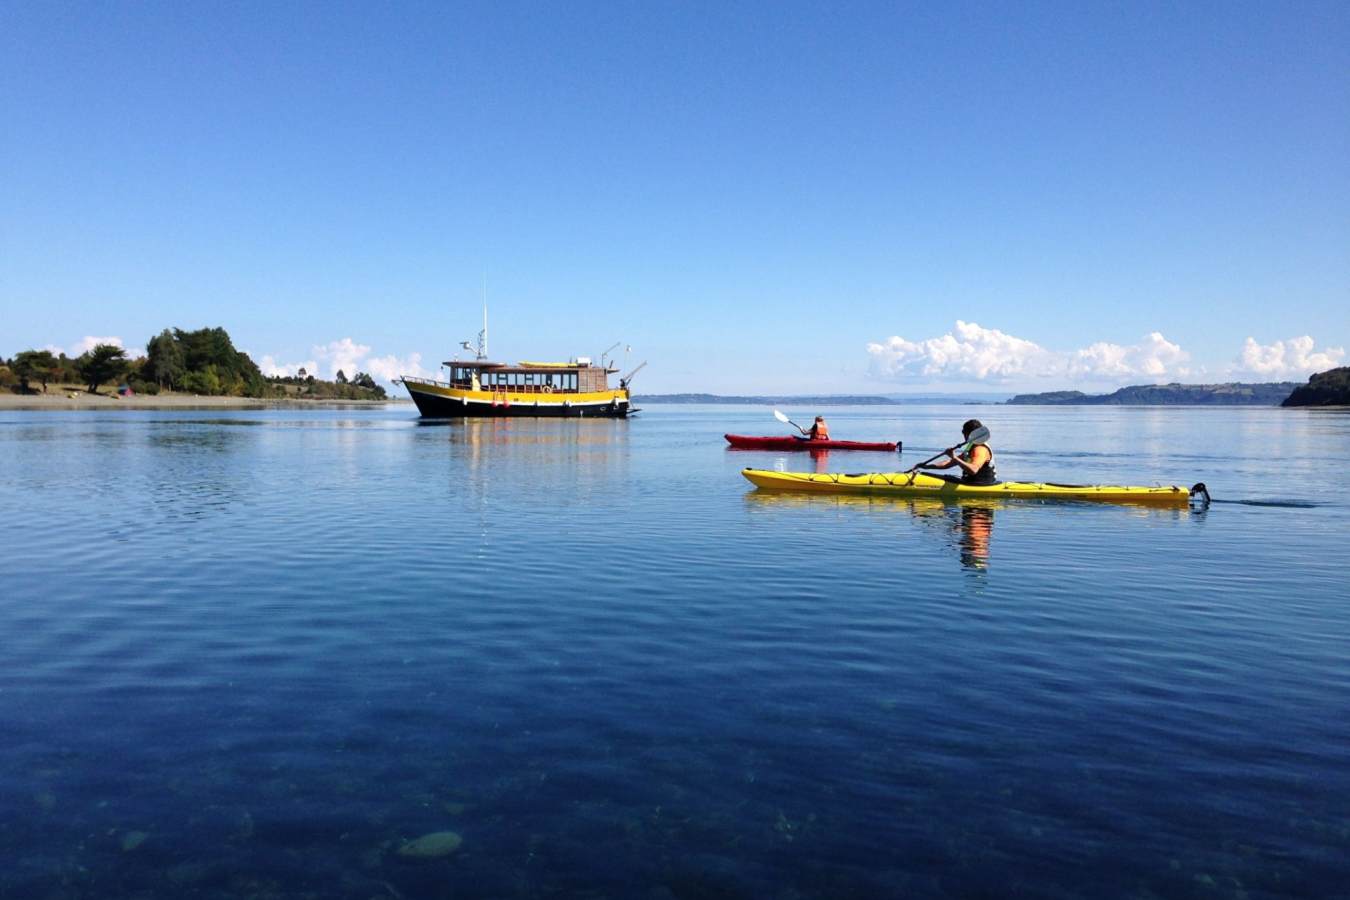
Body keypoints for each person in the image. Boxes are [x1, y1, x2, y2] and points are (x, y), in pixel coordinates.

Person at [922, 419, 997, 485]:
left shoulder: (980, 449)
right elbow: (950, 463)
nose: (963, 435)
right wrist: (927, 466)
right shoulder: (971, 446)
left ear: (968, 434)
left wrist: (954, 457)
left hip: (980, 485)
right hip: (969, 482)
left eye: (963, 432)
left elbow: (973, 470)